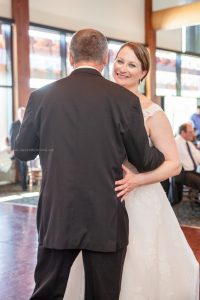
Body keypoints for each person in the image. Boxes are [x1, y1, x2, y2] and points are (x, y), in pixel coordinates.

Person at [14, 29, 164, 300]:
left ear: (70, 57)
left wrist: (20, 125)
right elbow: (143, 160)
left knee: (46, 292)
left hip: (57, 214)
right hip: (105, 215)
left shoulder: (42, 97)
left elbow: (23, 152)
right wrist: (163, 153)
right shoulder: (125, 101)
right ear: (106, 58)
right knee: (103, 295)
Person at [63, 42, 199, 300]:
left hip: (139, 201)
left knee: (137, 264)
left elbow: (174, 163)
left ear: (143, 73)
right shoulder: (98, 100)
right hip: (97, 199)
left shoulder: (151, 111)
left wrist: (138, 180)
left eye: (132, 65)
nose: (123, 69)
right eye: (120, 61)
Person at [175, 122, 200, 204]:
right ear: (183, 133)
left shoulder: (189, 143)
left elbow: (197, 156)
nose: (193, 134)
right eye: (190, 132)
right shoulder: (176, 143)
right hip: (183, 174)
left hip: (192, 171)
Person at [10, 106, 28, 190]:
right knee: (22, 165)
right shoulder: (14, 124)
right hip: (18, 149)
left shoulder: (28, 123)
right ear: (18, 114)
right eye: (20, 112)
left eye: (23, 112)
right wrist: (13, 149)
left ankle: (24, 183)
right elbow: (12, 137)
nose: (22, 114)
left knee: (24, 165)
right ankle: (24, 184)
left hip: (28, 148)